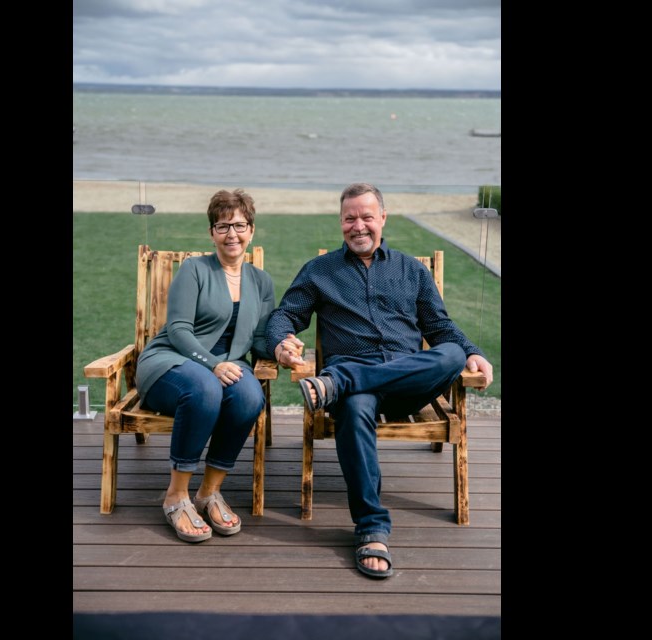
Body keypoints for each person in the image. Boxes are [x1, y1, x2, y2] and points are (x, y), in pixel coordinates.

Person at [267, 182, 493, 578]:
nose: (359, 226)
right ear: (340, 223)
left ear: (382, 219)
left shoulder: (411, 270)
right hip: (358, 394)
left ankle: (343, 380)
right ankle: (371, 528)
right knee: (354, 406)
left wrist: (472, 351)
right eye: (350, 218)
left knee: (453, 355)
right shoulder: (320, 272)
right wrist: (282, 342)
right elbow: (285, 315)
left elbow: (439, 327)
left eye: (367, 216)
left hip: (407, 384)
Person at [136, 189, 275, 543]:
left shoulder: (261, 282)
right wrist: (213, 365)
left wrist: (283, 346)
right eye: (223, 226)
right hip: (172, 362)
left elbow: (260, 339)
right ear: (212, 232)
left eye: (240, 225)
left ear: (252, 230)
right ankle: (176, 495)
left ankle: (208, 492)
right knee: (204, 389)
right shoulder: (194, 269)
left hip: (227, 367)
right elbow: (179, 329)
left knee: (248, 397)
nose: (232, 234)